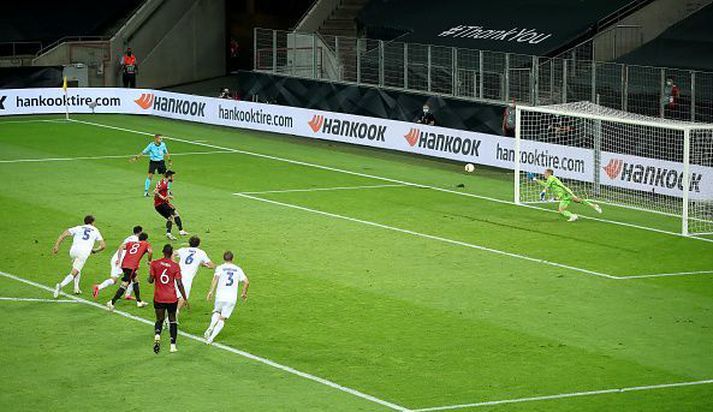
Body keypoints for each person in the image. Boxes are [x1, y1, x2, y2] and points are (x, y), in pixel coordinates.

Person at [52, 215, 106, 298]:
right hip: (83, 252)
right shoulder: (95, 230)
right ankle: (60, 285)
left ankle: (76, 288)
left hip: (73, 251)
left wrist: (56, 246)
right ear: (93, 222)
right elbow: (103, 246)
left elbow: (64, 234)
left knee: (77, 267)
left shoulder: (78, 227)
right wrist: (94, 251)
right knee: (74, 272)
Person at [149, 244, 188, 354]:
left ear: (163, 252)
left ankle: (157, 335)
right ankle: (173, 345)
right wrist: (185, 298)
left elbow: (150, 280)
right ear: (171, 254)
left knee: (159, 319)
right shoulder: (175, 266)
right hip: (171, 298)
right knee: (172, 320)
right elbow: (179, 284)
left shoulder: (154, 263)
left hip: (159, 297)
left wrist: (151, 275)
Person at [204, 251, 249, 344]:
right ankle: (211, 338)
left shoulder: (220, 268)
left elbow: (215, 279)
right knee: (222, 318)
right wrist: (244, 293)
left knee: (217, 311)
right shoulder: (238, 269)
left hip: (220, 295)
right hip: (231, 298)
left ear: (224, 258)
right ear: (232, 258)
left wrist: (211, 292)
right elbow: (246, 282)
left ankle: (211, 327)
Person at [529, 169, 602, 222]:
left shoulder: (551, 178)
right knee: (567, 207)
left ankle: (592, 207)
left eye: (545, 173)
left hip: (566, 193)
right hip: (564, 195)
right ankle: (576, 215)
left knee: (573, 203)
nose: (543, 174)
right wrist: (535, 179)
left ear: (549, 173)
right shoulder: (550, 180)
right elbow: (545, 184)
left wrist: (544, 191)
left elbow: (547, 186)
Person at [92, 225, 143, 300]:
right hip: (121, 260)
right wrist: (119, 259)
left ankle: (127, 295)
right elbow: (122, 248)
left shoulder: (129, 238)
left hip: (117, 259)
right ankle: (98, 287)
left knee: (132, 276)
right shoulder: (137, 241)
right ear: (140, 232)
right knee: (117, 279)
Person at [106, 232, 152, 310]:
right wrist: (149, 261)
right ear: (146, 239)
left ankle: (139, 301)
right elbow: (150, 251)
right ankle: (111, 302)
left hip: (124, 264)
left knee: (136, 280)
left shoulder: (131, 243)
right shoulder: (146, 244)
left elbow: (121, 247)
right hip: (131, 266)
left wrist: (119, 259)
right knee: (125, 284)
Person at [174, 236, 214, 317]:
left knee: (175, 294)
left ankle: (170, 312)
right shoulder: (201, 253)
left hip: (176, 274)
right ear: (199, 244)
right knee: (183, 297)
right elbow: (212, 265)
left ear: (189, 243)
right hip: (187, 278)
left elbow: (172, 253)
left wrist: (174, 263)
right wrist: (204, 265)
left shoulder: (183, 250)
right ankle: (173, 315)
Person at [154, 170, 188, 240]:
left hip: (157, 205)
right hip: (162, 204)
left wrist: (169, 194)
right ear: (169, 176)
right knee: (176, 214)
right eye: (172, 176)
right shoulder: (163, 183)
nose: (173, 178)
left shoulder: (163, 182)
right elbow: (155, 191)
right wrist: (163, 197)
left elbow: (163, 191)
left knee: (170, 218)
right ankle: (181, 231)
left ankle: (168, 233)